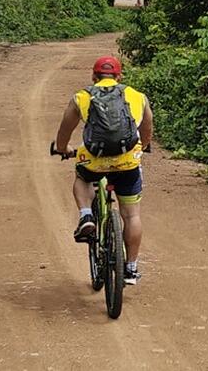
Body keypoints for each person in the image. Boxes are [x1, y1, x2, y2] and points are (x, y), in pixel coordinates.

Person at [51, 55, 154, 285]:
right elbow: (147, 128)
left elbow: (65, 130)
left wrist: (62, 149)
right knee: (132, 215)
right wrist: (143, 147)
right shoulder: (137, 96)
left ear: (94, 76)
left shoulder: (82, 96)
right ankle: (130, 268)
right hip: (127, 162)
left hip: (94, 159)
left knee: (82, 176)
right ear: (119, 77)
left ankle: (86, 215)